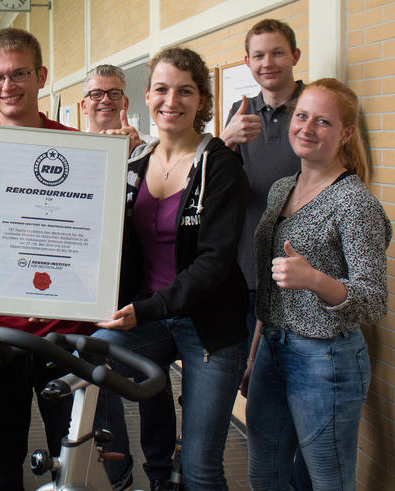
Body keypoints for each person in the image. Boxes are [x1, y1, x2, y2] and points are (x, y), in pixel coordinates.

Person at [92, 48, 248, 491]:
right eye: (161, 89)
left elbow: (215, 261)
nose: (171, 100)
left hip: (209, 325)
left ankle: (182, 470)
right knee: (93, 352)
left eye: (185, 91)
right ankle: (130, 470)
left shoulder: (218, 164)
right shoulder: (133, 164)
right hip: (152, 317)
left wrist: (146, 309)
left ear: (202, 100)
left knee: (201, 467)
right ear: (146, 95)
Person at [0, 28, 95, 491]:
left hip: (65, 329)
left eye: (19, 74)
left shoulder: (82, 151)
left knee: (71, 460)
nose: (7, 87)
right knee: (1, 462)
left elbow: (90, 241)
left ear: (41, 76)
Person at [245, 78, 390, 490]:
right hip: (273, 350)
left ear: (345, 133)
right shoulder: (282, 189)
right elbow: (272, 289)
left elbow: (374, 300)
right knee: (265, 474)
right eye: (302, 116)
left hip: (324, 360)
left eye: (323, 121)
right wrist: (256, 353)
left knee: (326, 481)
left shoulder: (354, 202)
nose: (307, 128)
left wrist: (314, 280)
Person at [82, 63, 176, 488]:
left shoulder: (151, 153)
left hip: (138, 290)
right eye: (98, 93)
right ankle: (116, 473)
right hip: (84, 289)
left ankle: (158, 472)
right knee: (95, 377)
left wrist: (129, 161)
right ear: (84, 104)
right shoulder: (70, 152)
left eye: (115, 93)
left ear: (126, 101)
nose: (106, 100)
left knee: (150, 384)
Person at [220, 19, 303, 350]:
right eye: (258, 55)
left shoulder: (314, 107)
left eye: (277, 53)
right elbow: (215, 186)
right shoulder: (238, 113)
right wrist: (224, 142)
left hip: (300, 271)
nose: (267, 63)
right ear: (247, 62)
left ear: (295, 55)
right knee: (250, 380)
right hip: (248, 269)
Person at [81, 64, 143, 155]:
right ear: (84, 106)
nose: (106, 100)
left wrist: (138, 153)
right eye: (96, 94)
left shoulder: (147, 148)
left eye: (114, 93)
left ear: (126, 103)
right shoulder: (72, 149)